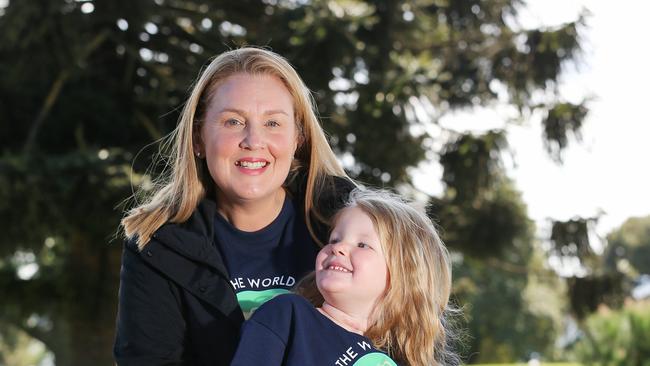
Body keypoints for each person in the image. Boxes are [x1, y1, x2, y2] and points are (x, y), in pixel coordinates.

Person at [113, 47, 356, 366]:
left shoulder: (349, 221)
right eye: (233, 121)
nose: (254, 140)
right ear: (198, 137)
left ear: (298, 137)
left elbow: (408, 337)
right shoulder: (157, 247)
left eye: (272, 123)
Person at [230, 188, 459, 366]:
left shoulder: (383, 361)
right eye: (334, 240)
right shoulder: (287, 314)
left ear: (404, 276)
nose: (338, 248)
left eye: (362, 244)